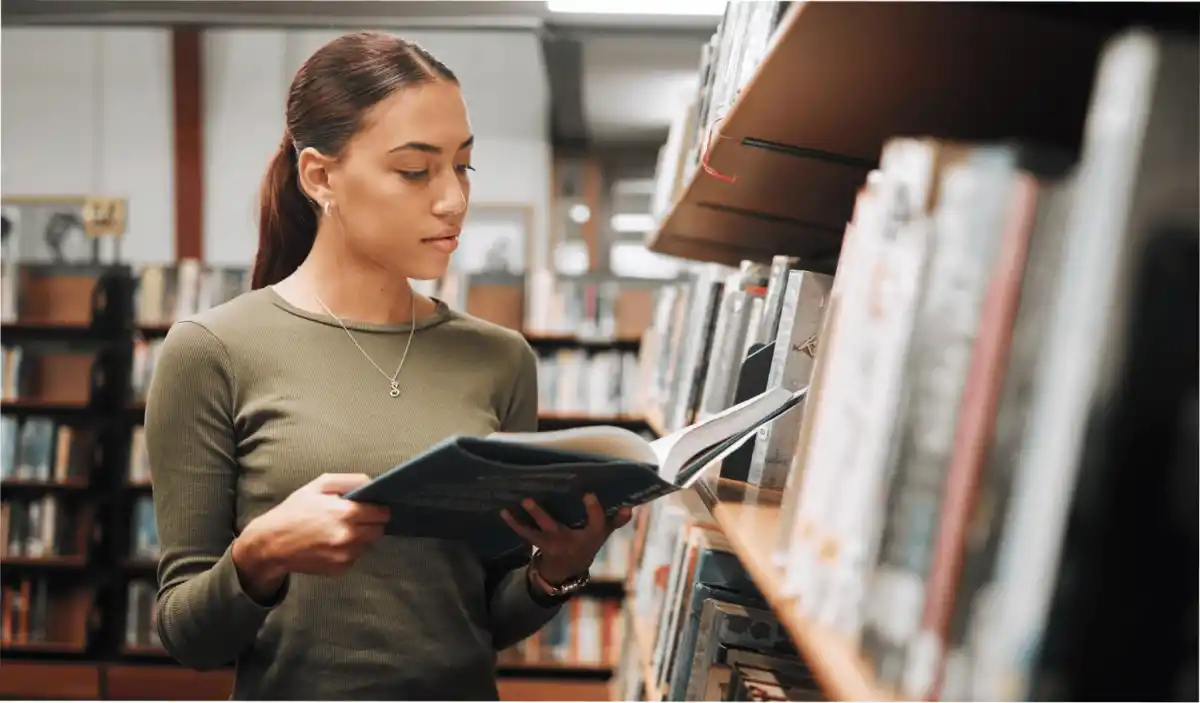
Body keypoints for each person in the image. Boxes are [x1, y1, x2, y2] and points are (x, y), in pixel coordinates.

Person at [144, 31, 632, 700]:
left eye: (463, 166)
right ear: (320, 177)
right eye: (414, 170)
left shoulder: (501, 359)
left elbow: (484, 619)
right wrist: (260, 555)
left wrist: (557, 571)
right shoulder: (211, 351)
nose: (453, 199)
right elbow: (188, 635)